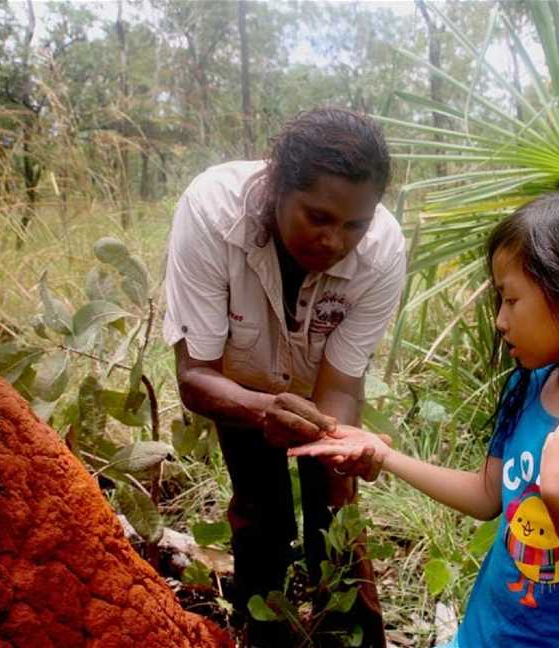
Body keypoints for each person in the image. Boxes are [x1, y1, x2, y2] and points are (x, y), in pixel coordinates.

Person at [290, 190, 559, 647]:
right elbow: (487, 495)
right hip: (488, 634)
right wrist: (384, 455)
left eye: (512, 300)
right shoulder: (528, 386)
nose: (500, 321)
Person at [163, 108, 406, 647]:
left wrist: (339, 448)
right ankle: (264, 630)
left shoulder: (383, 249)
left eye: (354, 224)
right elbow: (195, 373)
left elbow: (340, 385)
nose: (335, 241)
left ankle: (349, 634)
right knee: (259, 509)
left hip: (318, 387)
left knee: (337, 516)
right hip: (236, 382)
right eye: (317, 217)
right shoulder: (210, 211)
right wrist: (257, 410)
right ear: (276, 187)